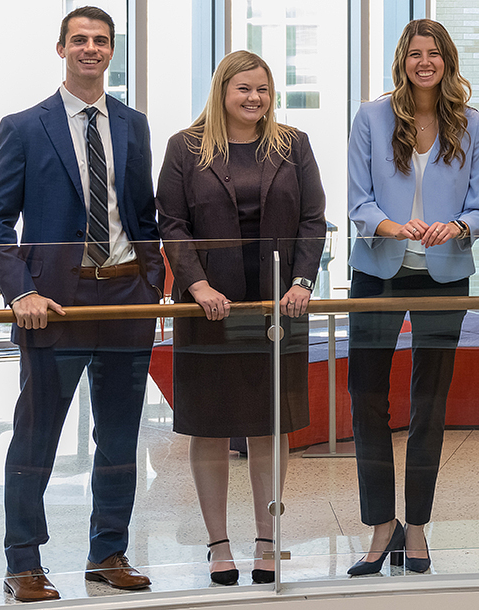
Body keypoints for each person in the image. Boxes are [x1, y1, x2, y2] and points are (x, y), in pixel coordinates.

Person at [0, 6, 162, 602]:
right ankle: (23, 561)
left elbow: (143, 216)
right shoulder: (25, 126)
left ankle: (108, 552)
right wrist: (22, 291)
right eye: (79, 40)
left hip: (126, 296)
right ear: (61, 49)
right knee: (36, 437)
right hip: (55, 301)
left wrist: (153, 282)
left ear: (112, 51)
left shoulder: (133, 125)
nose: (91, 49)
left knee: (118, 438)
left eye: (101, 41)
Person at [155, 50, 326, 587]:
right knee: (208, 427)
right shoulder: (184, 147)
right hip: (208, 309)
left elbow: (313, 218)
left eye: (264, 90)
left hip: (277, 308)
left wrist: (302, 282)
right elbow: (172, 222)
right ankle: (218, 544)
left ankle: (268, 540)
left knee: (268, 426)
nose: (255, 99)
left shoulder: (292, 144)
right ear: (222, 91)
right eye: (244, 89)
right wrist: (197, 283)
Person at [343, 19, 479, 576]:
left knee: (430, 401)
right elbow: (358, 199)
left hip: (444, 274)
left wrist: (454, 228)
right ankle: (383, 525)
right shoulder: (371, 116)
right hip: (378, 271)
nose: (424, 61)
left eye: (433, 53)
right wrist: (388, 226)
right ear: (401, 60)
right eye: (414, 53)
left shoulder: (471, 123)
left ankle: (420, 527)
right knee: (366, 396)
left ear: (447, 61)